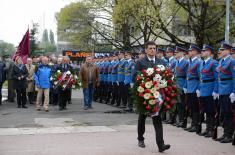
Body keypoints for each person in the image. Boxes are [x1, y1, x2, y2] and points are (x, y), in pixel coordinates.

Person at [133, 41, 170, 153]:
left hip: (158, 96)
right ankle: (140, 138)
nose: (152, 50)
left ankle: (161, 144)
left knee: (157, 119)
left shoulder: (161, 62)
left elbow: (167, 76)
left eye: (154, 48)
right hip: (145, 95)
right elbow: (135, 77)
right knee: (142, 118)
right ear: (146, 50)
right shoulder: (140, 62)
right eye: (150, 48)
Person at [197, 44, 218, 138]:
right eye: (202, 50)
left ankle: (211, 129)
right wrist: (199, 88)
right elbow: (200, 77)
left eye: (204, 51)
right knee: (205, 110)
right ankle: (207, 129)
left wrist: (215, 90)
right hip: (203, 88)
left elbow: (217, 78)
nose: (202, 52)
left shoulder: (214, 63)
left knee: (210, 110)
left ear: (209, 52)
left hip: (210, 88)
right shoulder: (201, 63)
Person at [215, 43, 235, 143]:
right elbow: (219, 77)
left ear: (228, 51)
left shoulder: (232, 61)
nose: (221, 51)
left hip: (228, 89)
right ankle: (225, 134)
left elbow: (234, 77)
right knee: (224, 113)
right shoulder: (221, 61)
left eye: (223, 50)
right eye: (221, 50)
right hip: (222, 90)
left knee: (228, 113)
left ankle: (229, 135)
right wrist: (217, 90)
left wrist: (233, 91)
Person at [174, 46, 189, 128]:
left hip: (182, 84)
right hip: (177, 84)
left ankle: (183, 120)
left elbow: (187, 75)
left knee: (182, 104)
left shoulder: (186, 62)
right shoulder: (177, 62)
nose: (175, 54)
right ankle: (180, 120)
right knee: (178, 104)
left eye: (177, 52)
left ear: (181, 53)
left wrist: (185, 86)